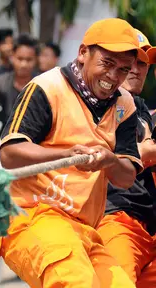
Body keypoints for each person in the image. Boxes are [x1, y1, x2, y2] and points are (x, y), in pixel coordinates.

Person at [0, 18, 148, 287]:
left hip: (86, 229)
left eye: (123, 70)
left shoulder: (126, 106)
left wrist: (109, 160)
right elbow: (9, 153)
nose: (113, 77)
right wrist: (65, 154)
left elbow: (125, 178)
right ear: (82, 53)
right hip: (33, 217)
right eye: (107, 63)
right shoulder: (47, 88)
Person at [97, 29, 156, 287]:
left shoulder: (141, 109)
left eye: (143, 63)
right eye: (130, 62)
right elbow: (138, 154)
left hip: (148, 224)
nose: (137, 69)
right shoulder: (99, 104)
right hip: (116, 219)